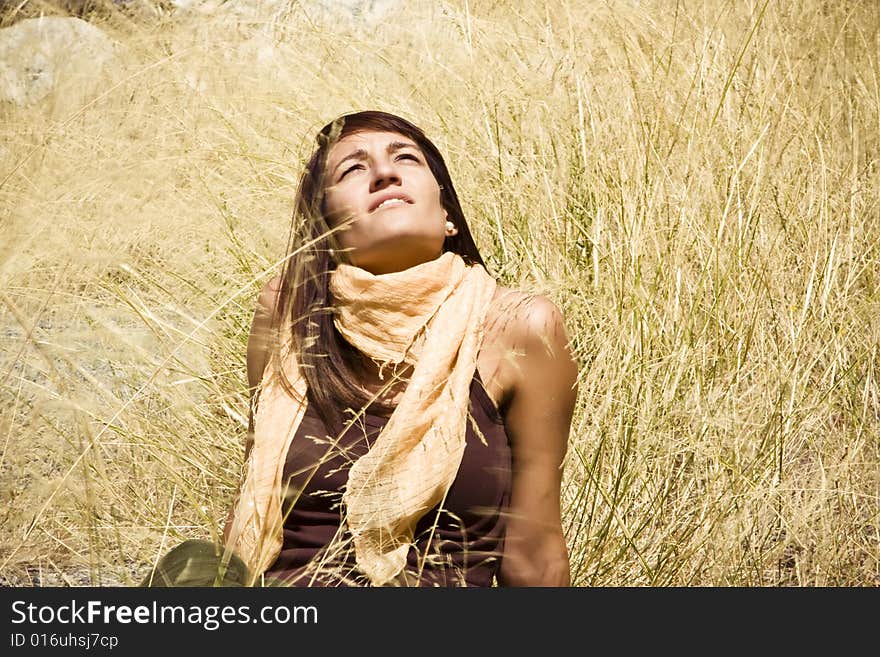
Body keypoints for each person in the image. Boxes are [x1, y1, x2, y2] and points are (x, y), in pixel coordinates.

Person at [145, 110, 578, 588]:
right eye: (353, 168)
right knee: (192, 567)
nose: (385, 172)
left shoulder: (516, 327)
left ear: (447, 215)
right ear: (325, 228)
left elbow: (534, 552)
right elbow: (254, 500)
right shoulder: (287, 314)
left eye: (406, 158)